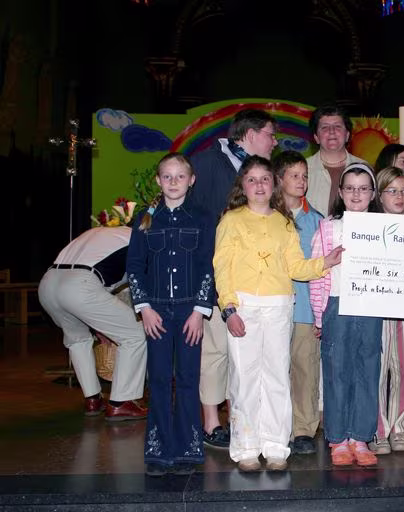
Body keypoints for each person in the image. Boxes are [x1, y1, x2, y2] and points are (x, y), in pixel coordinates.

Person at [214, 155, 342, 472]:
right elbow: (222, 268)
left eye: (265, 179)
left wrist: (325, 262)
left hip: (279, 306)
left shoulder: (284, 223)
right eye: (252, 179)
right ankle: (246, 447)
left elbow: (295, 267)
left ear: (273, 185)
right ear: (243, 185)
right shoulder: (231, 220)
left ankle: (275, 447)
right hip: (243, 306)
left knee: (276, 377)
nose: (259, 185)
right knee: (244, 378)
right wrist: (229, 308)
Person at [189, 109, 279, 449]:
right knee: (215, 352)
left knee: (245, 355)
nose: (274, 142)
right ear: (251, 134)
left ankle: (242, 420)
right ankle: (212, 422)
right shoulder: (205, 163)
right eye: (270, 134)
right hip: (217, 275)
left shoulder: (260, 170)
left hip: (256, 282)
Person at [127, 153, 216, 476]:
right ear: (158, 180)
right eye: (167, 176)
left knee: (189, 378)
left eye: (180, 176)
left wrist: (200, 311)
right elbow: (134, 265)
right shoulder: (145, 219)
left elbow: (208, 265)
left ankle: (188, 449)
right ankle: (159, 450)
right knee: (160, 378)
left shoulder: (204, 217)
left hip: (190, 312)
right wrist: (144, 308)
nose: (173, 182)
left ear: (191, 180)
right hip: (157, 313)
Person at [309, 162, 382, 467]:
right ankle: (338, 438)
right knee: (337, 371)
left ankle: (360, 437)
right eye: (350, 188)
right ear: (340, 192)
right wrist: (319, 316)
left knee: (368, 370)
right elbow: (316, 272)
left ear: (373, 193)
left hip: (371, 307)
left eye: (363, 188)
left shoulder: (385, 228)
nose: (356, 194)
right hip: (337, 306)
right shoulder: (328, 228)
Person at [38, 227, 148, 420]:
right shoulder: (141, 239)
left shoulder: (101, 232)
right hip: (81, 285)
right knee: (135, 334)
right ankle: (122, 402)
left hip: (48, 283)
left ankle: (93, 399)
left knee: (77, 340)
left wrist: (100, 326)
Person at [274, 150, 324, 455]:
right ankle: (275, 427)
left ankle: (304, 429)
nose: (301, 181)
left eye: (304, 176)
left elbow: (323, 271)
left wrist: (321, 313)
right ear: (279, 179)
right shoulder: (267, 217)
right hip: (272, 308)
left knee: (305, 370)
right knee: (273, 371)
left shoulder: (316, 221)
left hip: (305, 309)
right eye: (294, 175)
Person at [368, 167, 404, 455]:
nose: (399, 197)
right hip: (376, 307)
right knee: (377, 367)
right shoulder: (368, 227)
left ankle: (400, 426)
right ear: (379, 195)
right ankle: (378, 429)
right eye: (392, 191)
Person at [305, 103, 367, 217]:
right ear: (316, 137)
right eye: (324, 127)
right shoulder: (303, 170)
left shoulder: (364, 168)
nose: (332, 131)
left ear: (347, 135)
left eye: (337, 126)